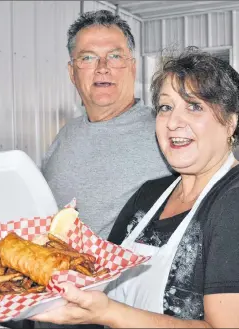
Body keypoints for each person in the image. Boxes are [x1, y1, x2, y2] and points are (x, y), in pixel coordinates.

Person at [31, 48, 239, 328]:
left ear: (231, 122)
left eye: (194, 106)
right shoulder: (149, 195)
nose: (173, 122)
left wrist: (109, 313)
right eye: (166, 107)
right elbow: (100, 273)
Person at [41, 10, 171, 240]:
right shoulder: (64, 135)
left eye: (115, 56)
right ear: (72, 72)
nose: (102, 66)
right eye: (88, 57)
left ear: (132, 67)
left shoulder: (165, 130)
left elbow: (219, 185)